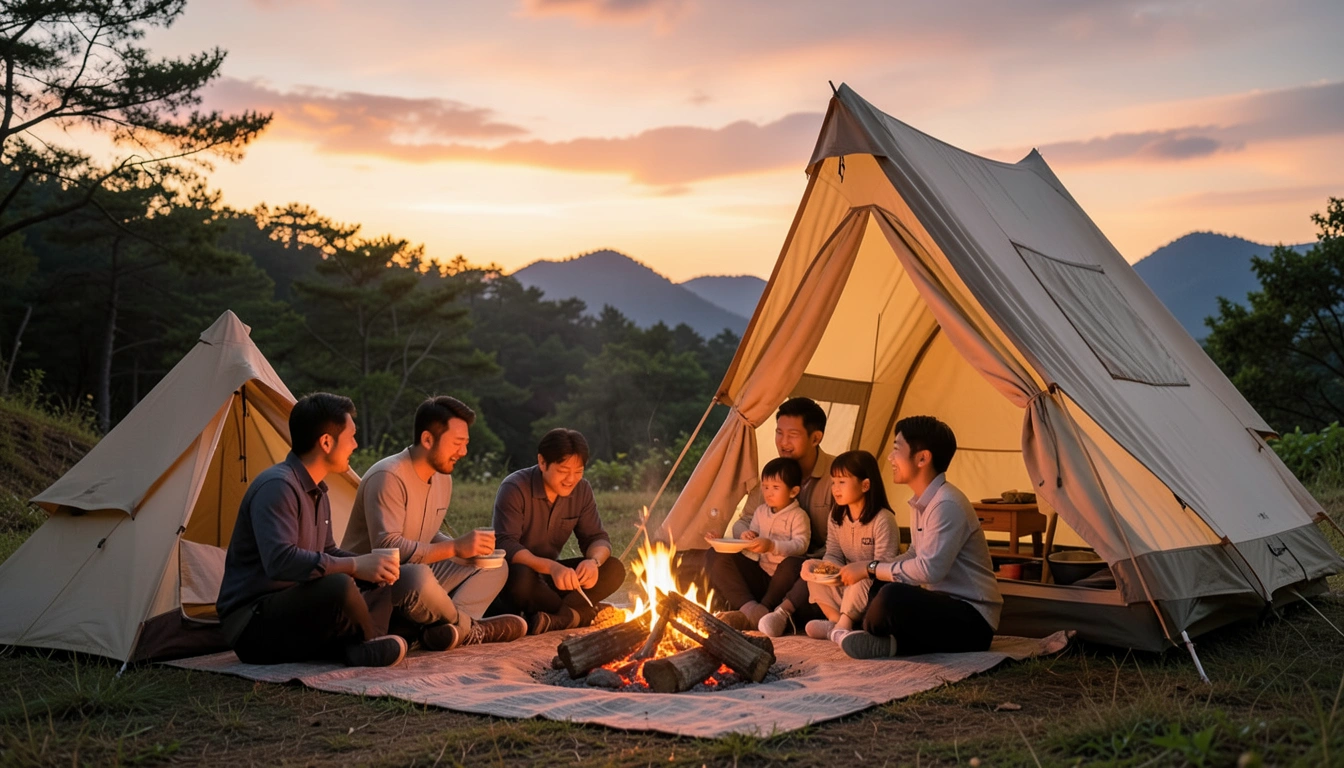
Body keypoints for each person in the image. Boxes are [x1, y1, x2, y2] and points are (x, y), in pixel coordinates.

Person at [217, 393, 407, 667]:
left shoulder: (318, 490)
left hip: (295, 609)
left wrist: (371, 568)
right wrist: (354, 565)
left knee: (385, 578)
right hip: (253, 624)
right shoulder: (277, 487)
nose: (355, 444)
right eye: (351, 436)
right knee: (340, 583)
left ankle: (360, 644)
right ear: (326, 442)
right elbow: (280, 562)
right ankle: (365, 643)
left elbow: (327, 551)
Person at [342, 396, 526, 651]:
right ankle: (469, 628)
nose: (463, 452)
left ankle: (446, 630)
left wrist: (465, 553)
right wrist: (454, 549)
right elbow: (387, 548)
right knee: (418, 576)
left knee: (495, 565)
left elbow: (426, 533)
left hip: (419, 571)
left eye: (466, 444)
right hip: (376, 585)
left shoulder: (442, 477)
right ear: (428, 440)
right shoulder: (388, 476)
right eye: (457, 443)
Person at [836, 416, 1003, 659]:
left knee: (891, 597)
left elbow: (930, 570)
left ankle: (871, 633)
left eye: (896, 449)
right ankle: (892, 645)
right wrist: (872, 571)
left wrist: (870, 567)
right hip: (941, 606)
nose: (890, 458)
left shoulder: (947, 503)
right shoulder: (922, 502)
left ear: (923, 458)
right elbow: (915, 553)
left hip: (973, 620)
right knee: (882, 585)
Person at [711, 396, 834, 631]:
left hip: (803, 575)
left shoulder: (836, 476)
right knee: (714, 555)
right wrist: (747, 534)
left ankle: (765, 612)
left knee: (798, 565)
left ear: (815, 438)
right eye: (779, 433)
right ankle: (753, 611)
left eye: (792, 435)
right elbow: (744, 520)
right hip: (765, 567)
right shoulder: (773, 475)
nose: (783, 442)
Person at [488, 428, 626, 634]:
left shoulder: (582, 490)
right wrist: (551, 567)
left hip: (553, 582)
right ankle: (579, 614)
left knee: (614, 568)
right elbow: (506, 544)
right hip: (516, 577)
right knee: (521, 578)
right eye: (563, 471)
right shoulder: (515, 487)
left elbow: (596, 538)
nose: (571, 479)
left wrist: (593, 562)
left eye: (578, 471)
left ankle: (555, 616)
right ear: (542, 463)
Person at [797, 450, 899, 643]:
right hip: (848, 585)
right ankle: (838, 624)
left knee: (861, 577)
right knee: (814, 577)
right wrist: (824, 569)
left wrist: (857, 571)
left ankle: (843, 626)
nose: (835, 488)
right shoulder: (837, 517)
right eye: (833, 481)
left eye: (842, 482)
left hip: (873, 588)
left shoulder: (883, 519)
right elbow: (833, 553)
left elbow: (884, 566)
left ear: (865, 485)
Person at [706, 457, 810, 630]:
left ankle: (764, 608)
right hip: (761, 574)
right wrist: (741, 538)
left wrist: (772, 546)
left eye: (775, 488)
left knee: (794, 564)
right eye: (765, 486)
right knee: (714, 554)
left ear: (793, 492)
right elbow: (751, 546)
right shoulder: (761, 511)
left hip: (782, 582)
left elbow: (801, 545)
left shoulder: (798, 516)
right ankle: (749, 608)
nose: (768, 492)